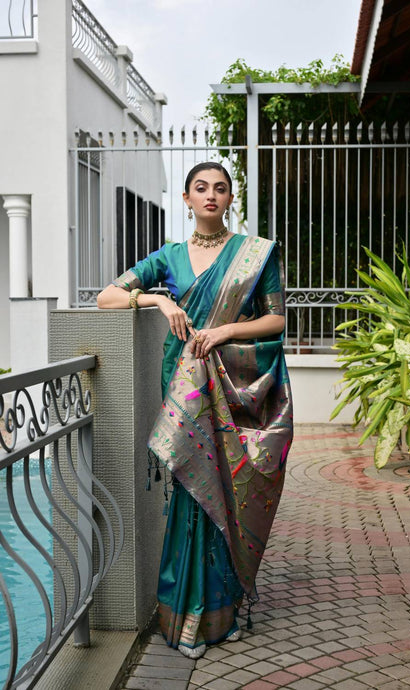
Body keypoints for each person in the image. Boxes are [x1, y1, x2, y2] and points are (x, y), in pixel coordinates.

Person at [97, 162, 293, 659]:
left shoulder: (254, 253)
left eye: (220, 189)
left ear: (230, 199)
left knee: (226, 489)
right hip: (185, 386)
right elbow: (106, 297)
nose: (211, 195)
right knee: (191, 490)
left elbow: (276, 319)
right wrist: (157, 302)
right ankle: (186, 618)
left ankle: (219, 613)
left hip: (231, 384)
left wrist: (225, 331)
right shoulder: (168, 257)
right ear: (186, 199)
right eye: (201, 188)